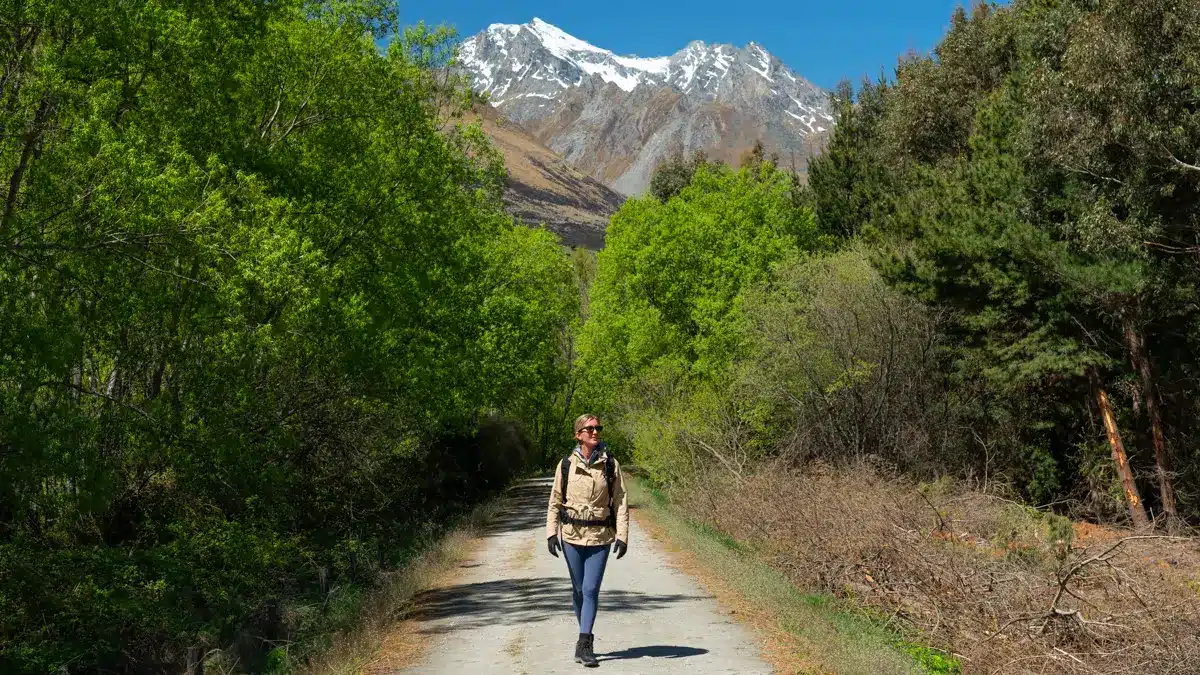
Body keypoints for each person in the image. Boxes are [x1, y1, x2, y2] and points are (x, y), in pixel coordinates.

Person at [546, 413, 629, 668]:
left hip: (600, 537)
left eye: (597, 428)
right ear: (578, 434)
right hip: (571, 536)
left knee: (591, 589)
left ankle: (584, 643)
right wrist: (551, 532)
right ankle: (584, 634)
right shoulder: (566, 464)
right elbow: (555, 500)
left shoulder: (610, 464)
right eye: (589, 429)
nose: (595, 432)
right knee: (579, 590)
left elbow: (621, 500)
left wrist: (623, 536)